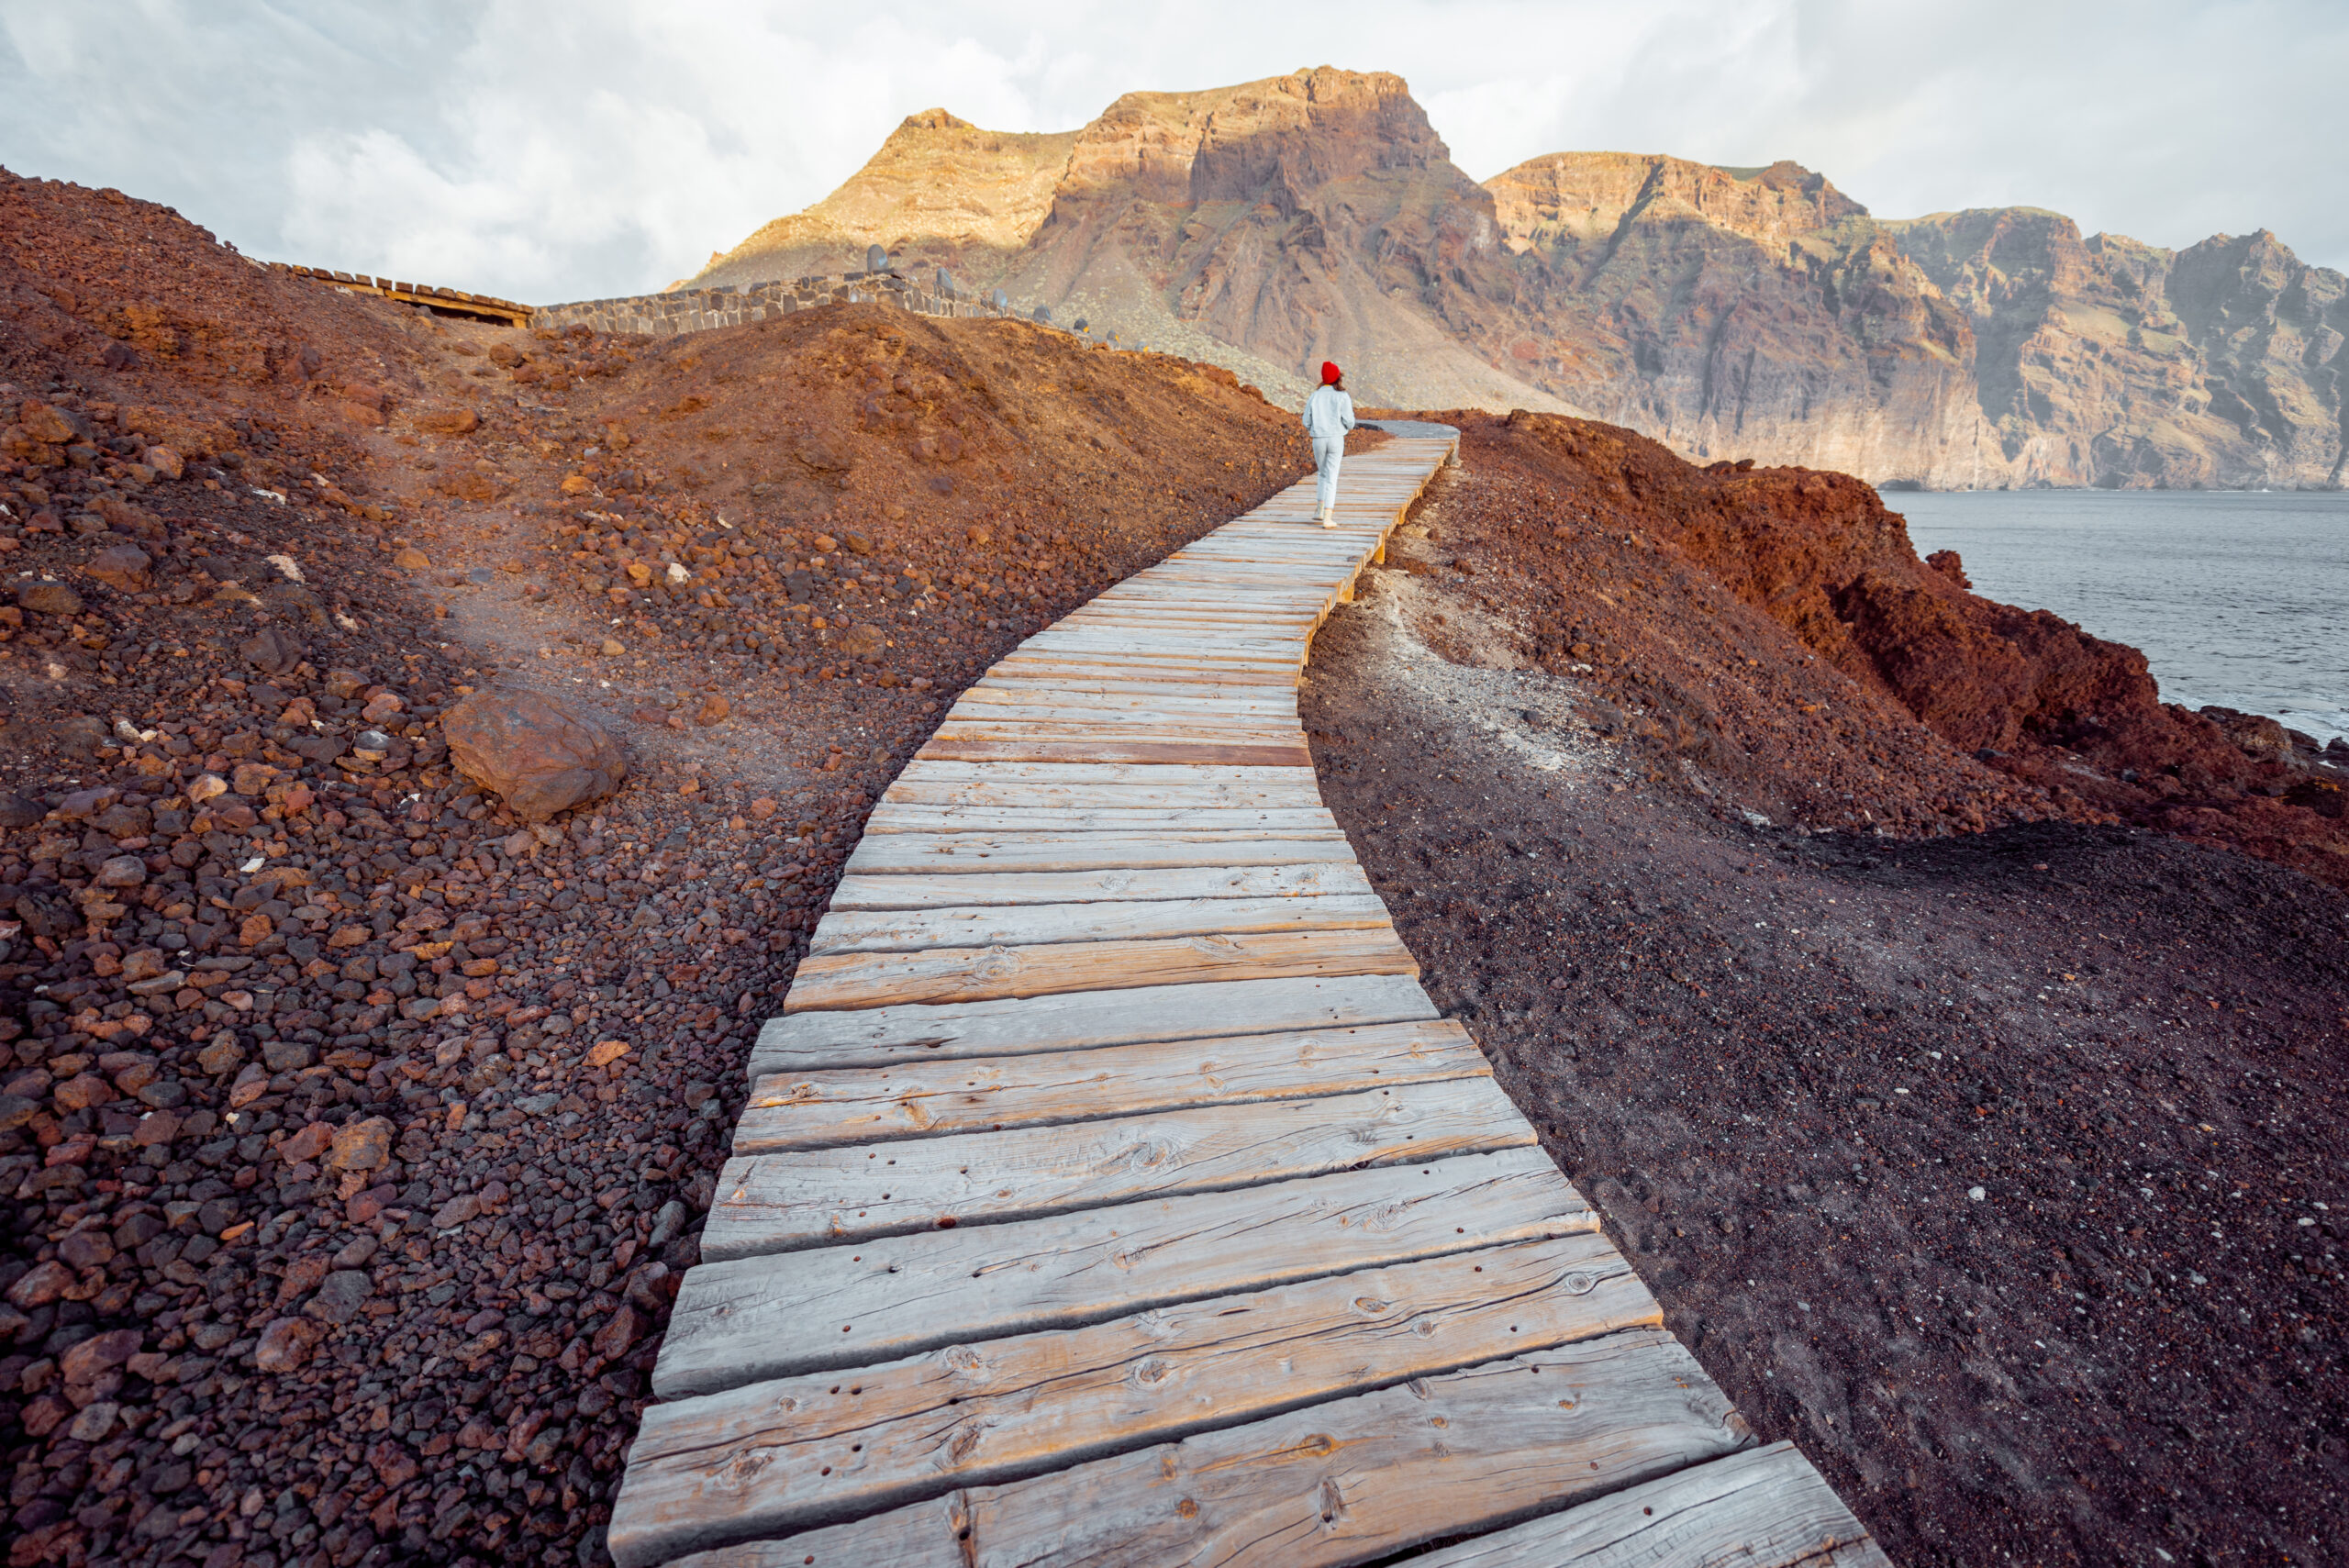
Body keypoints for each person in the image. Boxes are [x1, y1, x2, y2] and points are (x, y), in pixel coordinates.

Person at [1301, 361, 1355, 528]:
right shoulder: (1342, 396)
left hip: (1318, 438)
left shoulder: (1314, 395)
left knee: (1322, 474)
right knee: (1332, 477)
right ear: (1337, 377)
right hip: (1336, 438)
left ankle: (1319, 510)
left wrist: (1315, 429)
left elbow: (1306, 421)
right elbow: (1349, 421)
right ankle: (1328, 517)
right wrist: (1345, 427)